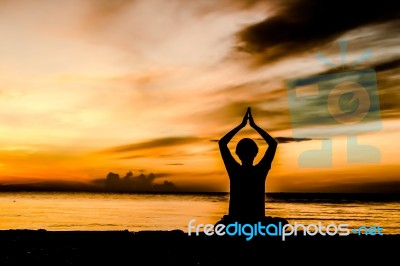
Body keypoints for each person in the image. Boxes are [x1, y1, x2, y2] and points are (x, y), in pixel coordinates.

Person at [217, 107, 286, 226]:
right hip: (256, 222)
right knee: (282, 223)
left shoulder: (234, 170)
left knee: (221, 226)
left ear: (237, 154)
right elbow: (273, 144)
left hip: (236, 222)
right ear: (256, 153)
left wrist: (242, 125)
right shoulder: (260, 170)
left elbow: (222, 143)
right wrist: (253, 125)